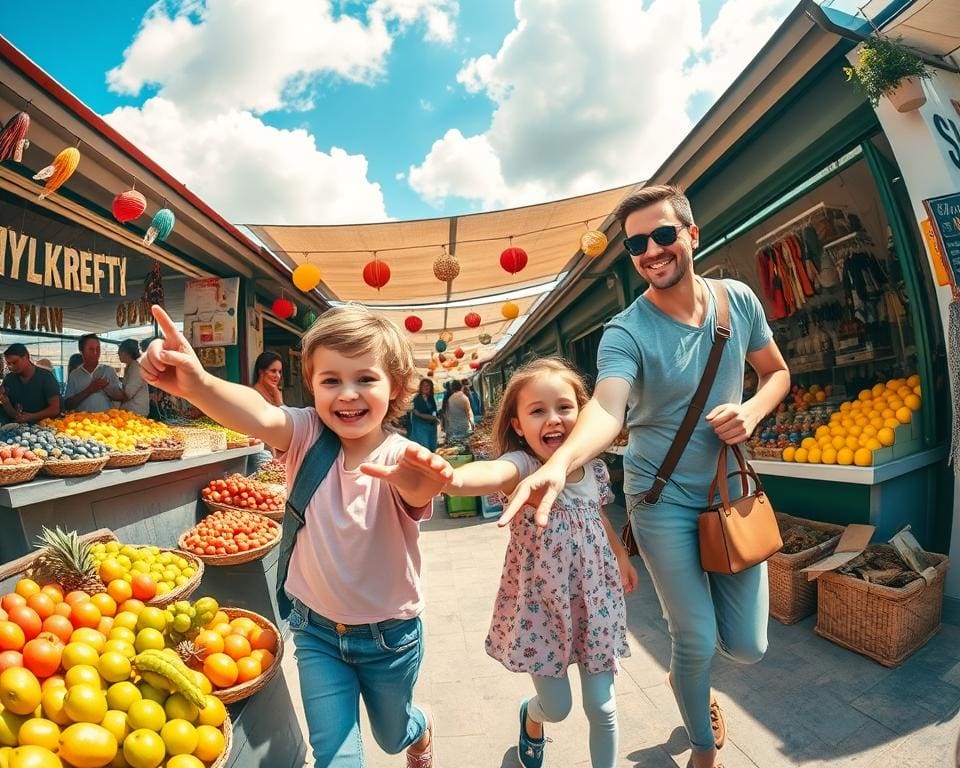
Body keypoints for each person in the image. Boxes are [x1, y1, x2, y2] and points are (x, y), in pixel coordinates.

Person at [501, 186, 790, 768]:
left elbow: (776, 372)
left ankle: (688, 678)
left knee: (748, 647)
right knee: (695, 637)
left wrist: (753, 411)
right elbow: (608, 406)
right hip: (659, 498)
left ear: (691, 234)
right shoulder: (625, 331)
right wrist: (559, 463)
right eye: (637, 244)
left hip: (729, 491)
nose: (652, 251)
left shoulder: (737, 300)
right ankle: (702, 744)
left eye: (662, 235)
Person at [140, 303, 446, 768]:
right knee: (335, 758)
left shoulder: (402, 458)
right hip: (316, 632)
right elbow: (259, 415)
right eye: (331, 380)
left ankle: (418, 729)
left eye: (365, 379)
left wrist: (425, 482)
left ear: (396, 387)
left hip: (389, 638)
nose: (347, 394)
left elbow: (419, 489)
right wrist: (198, 383)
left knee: (392, 735)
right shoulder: (305, 434)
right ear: (312, 385)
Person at [365, 358, 638, 768]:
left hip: (595, 602)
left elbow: (598, 515)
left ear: (582, 415)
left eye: (564, 407)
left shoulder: (593, 471)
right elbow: (490, 472)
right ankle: (533, 715)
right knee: (558, 707)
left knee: (603, 708)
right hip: (541, 610)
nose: (553, 419)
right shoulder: (522, 468)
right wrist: (451, 478)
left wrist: (620, 556)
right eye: (537, 411)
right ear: (517, 425)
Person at [0, 343, 61, 424]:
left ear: (26, 356)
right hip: (17, 427)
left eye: (15, 362)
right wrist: (6, 402)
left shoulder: (46, 377)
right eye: (8, 363)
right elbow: (8, 406)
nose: (11, 367)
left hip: (44, 427)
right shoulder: (9, 379)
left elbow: (55, 409)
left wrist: (31, 417)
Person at [64, 334, 120, 413]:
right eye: (91, 349)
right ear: (81, 351)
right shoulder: (74, 375)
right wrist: (90, 389)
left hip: (105, 419)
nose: (95, 352)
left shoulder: (108, 370)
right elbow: (68, 405)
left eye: (98, 349)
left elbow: (120, 397)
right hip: (83, 420)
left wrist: (107, 389)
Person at [108, 339, 150, 416]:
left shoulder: (136, 368)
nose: (118, 354)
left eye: (119, 351)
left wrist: (108, 392)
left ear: (125, 352)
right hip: (130, 412)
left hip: (137, 413)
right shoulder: (130, 366)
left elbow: (127, 395)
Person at [408, 378, 439, 451]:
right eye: (423, 385)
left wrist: (434, 417)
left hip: (431, 427)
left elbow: (434, 411)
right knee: (424, 448)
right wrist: (433, 417)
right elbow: (417, 413)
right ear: (420, 387)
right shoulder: (417, 399)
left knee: (432, 448)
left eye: (428, 385)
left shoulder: (431, 398)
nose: (425, 387)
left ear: (431, 387)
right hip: (421, 428)